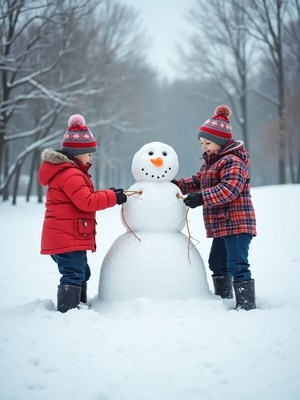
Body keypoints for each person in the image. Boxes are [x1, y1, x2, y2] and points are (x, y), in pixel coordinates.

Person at [38, 114, 127, 313]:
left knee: (81, 271)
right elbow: (86, 201)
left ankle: (78, 304)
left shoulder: (68, 172)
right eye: (89, 154)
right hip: (67, 237)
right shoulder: (71, 174)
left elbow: (84, 197)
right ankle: (69, 311)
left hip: (66, 236)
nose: (91, 157)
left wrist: (109, 193)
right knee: (73, 273)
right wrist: (112, 197)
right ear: (78, 153)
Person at [172, 105, 256, 310]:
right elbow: (197, 180)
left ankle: (246, 306)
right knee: (217, 264)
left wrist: (201, 198)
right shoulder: (211, 162)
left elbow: (229, 189)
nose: (204, 147)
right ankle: (224, 299)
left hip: (237, 224)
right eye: (202, 143)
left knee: (237, 265)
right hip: (222, 225)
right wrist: (175, 184)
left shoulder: (233, 161)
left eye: (208, 142)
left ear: (220, 141)